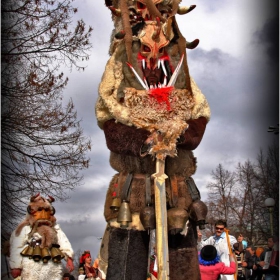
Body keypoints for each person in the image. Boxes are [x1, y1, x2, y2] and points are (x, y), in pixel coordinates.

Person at [9, 194, 74, 280]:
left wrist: (69, 258)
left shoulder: (55, 228)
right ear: (32, 211)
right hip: (31, 265)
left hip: (53, 264)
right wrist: (16, 266)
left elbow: (63, 241)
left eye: (46, 209)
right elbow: (16, 246)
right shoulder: (25, 228)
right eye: (39, 209)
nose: (43, 213)